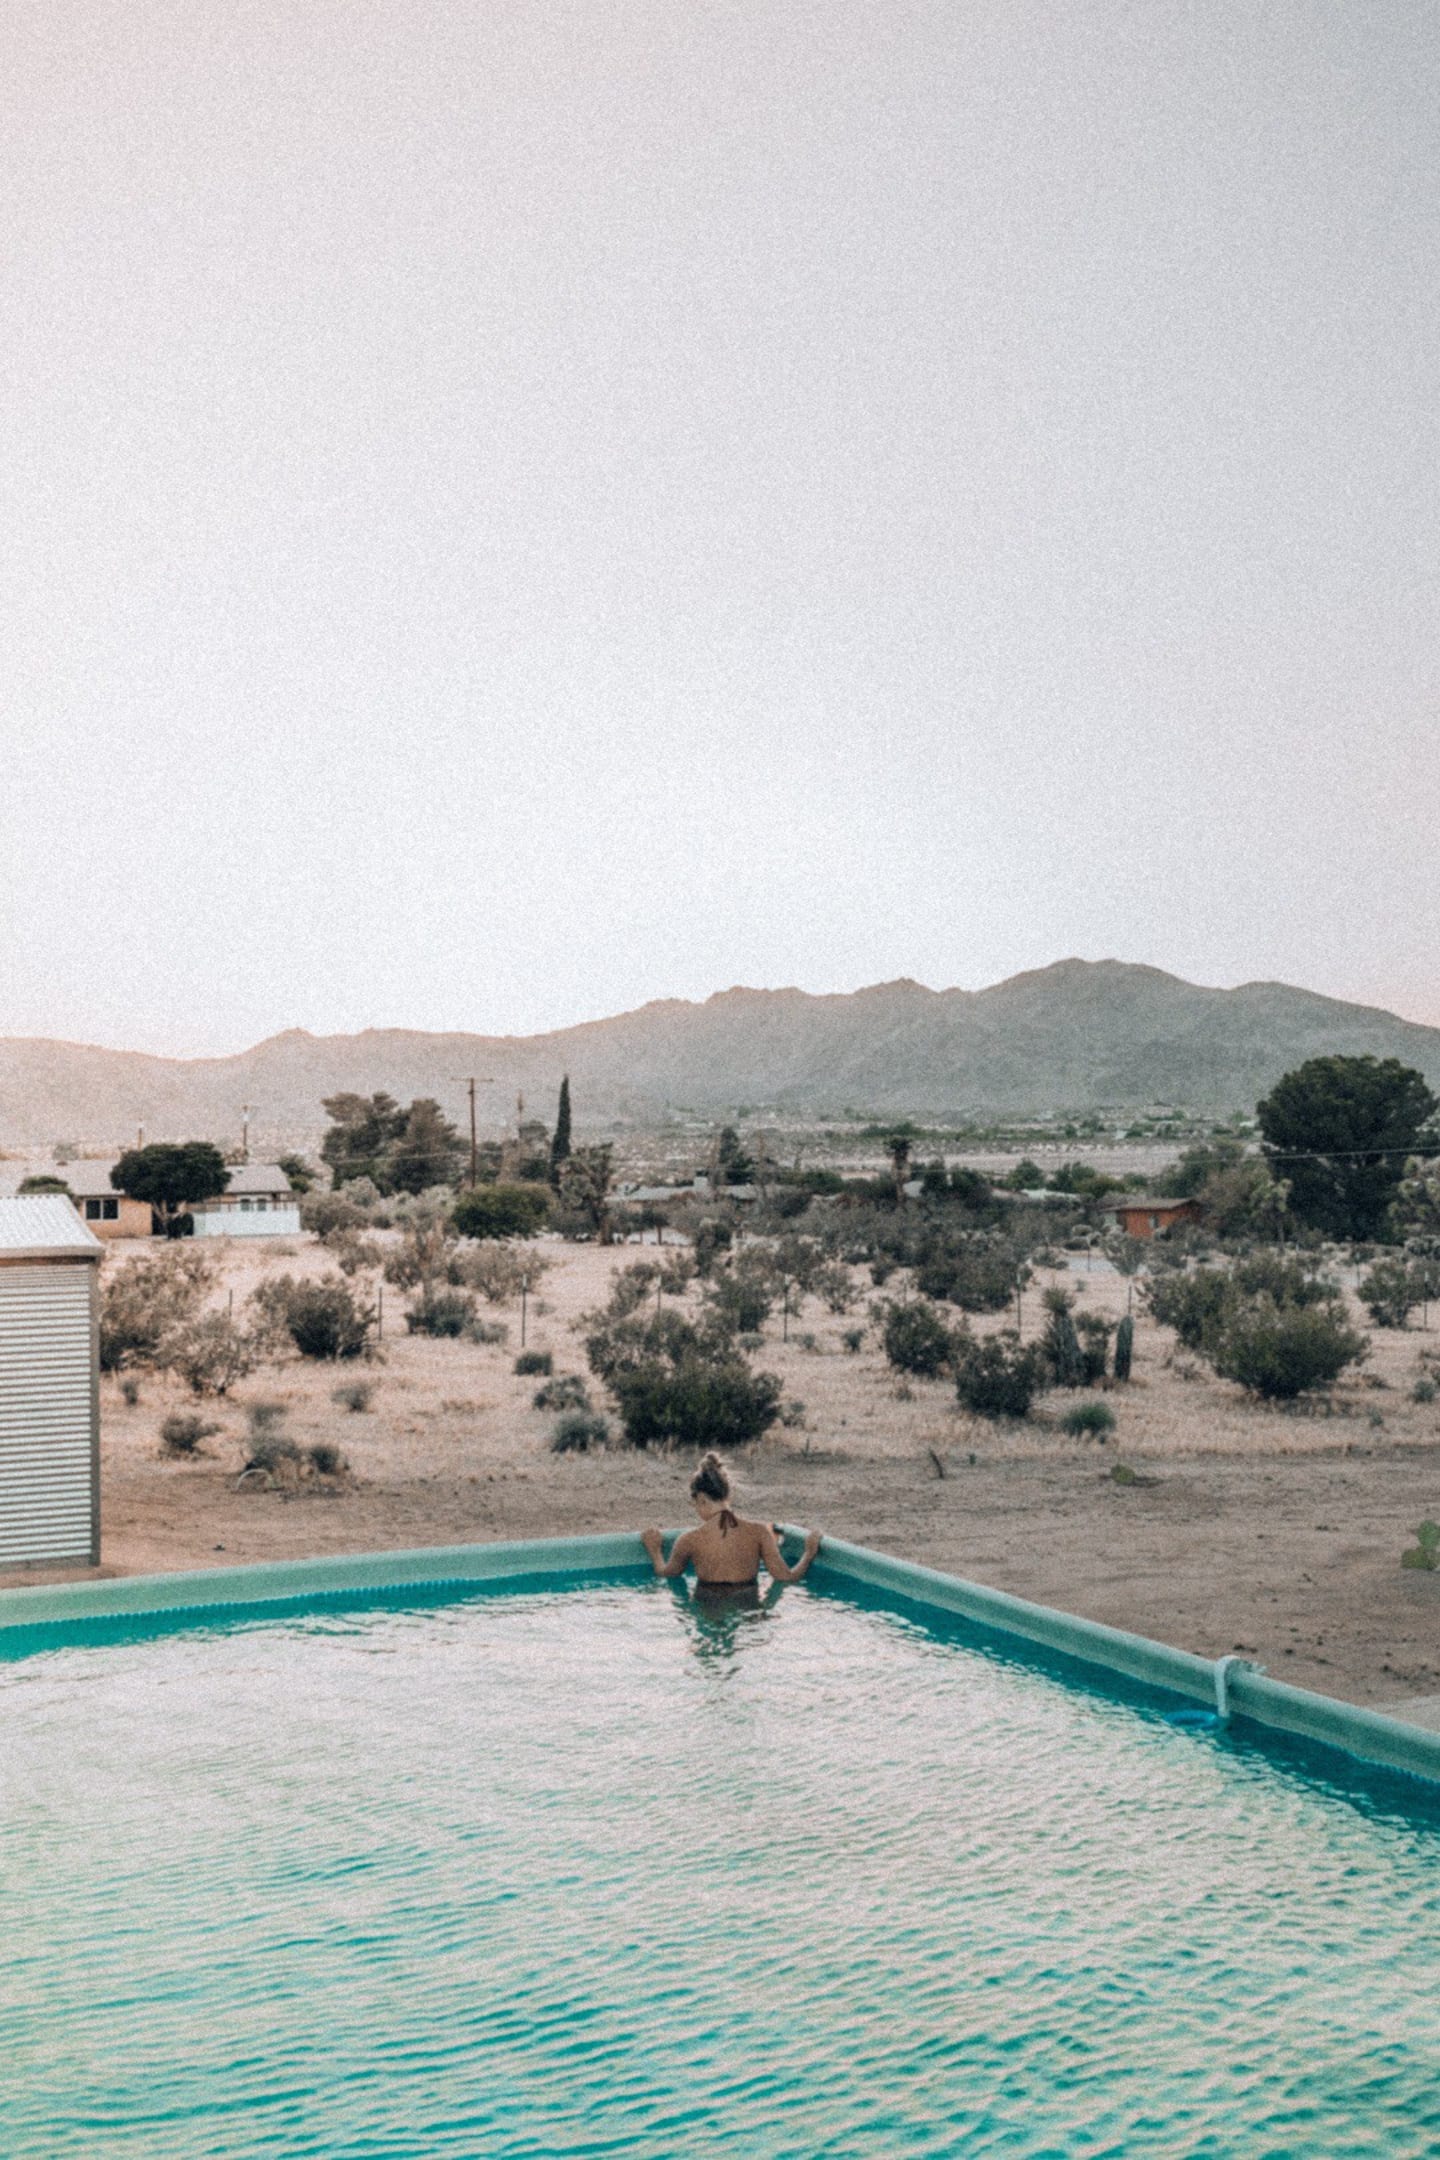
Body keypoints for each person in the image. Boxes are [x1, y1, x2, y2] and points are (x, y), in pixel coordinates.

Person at [641, 1451, 822, 1587]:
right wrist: (808, 1553)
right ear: (728, 1495)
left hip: (708, 1612)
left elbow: (667, 1575)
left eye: (695, 1504)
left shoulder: (689, 1540)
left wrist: (654, 1550)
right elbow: (786, 1577)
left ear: (701, 1499)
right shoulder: (759, 1532)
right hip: (747, 1611)